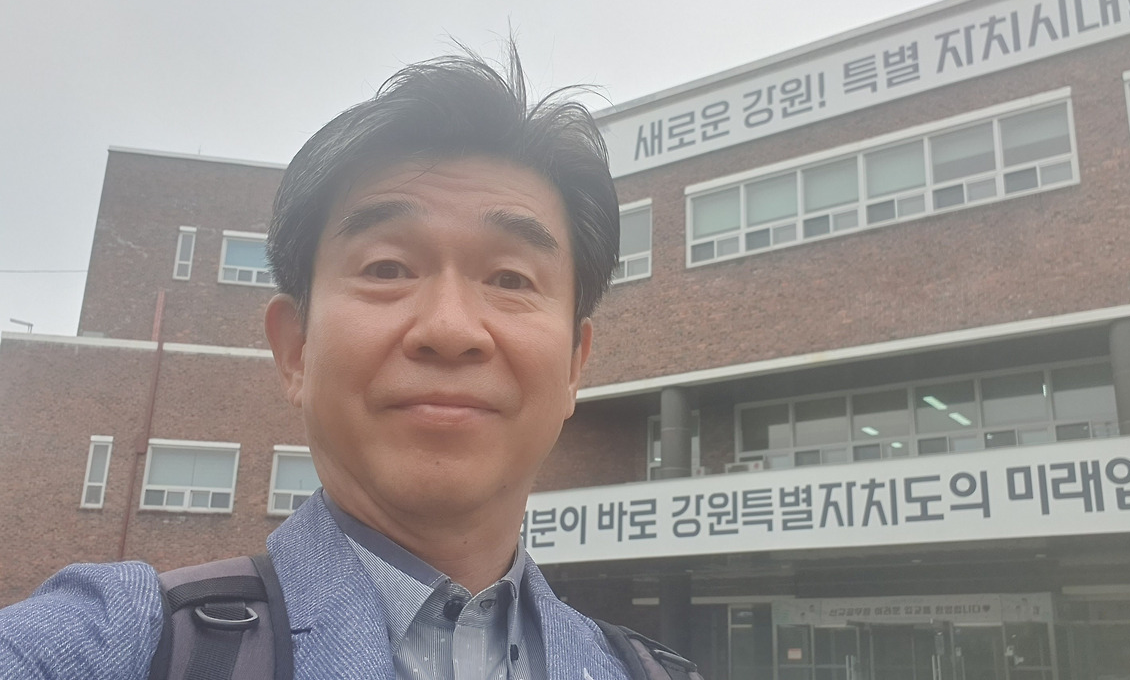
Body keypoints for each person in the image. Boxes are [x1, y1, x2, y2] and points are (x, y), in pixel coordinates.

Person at [0, 47, 683, 679]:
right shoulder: (120, 644)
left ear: (574, 366)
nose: (449, 328)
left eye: (510, 278)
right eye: (387, 267)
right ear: (295, 348)